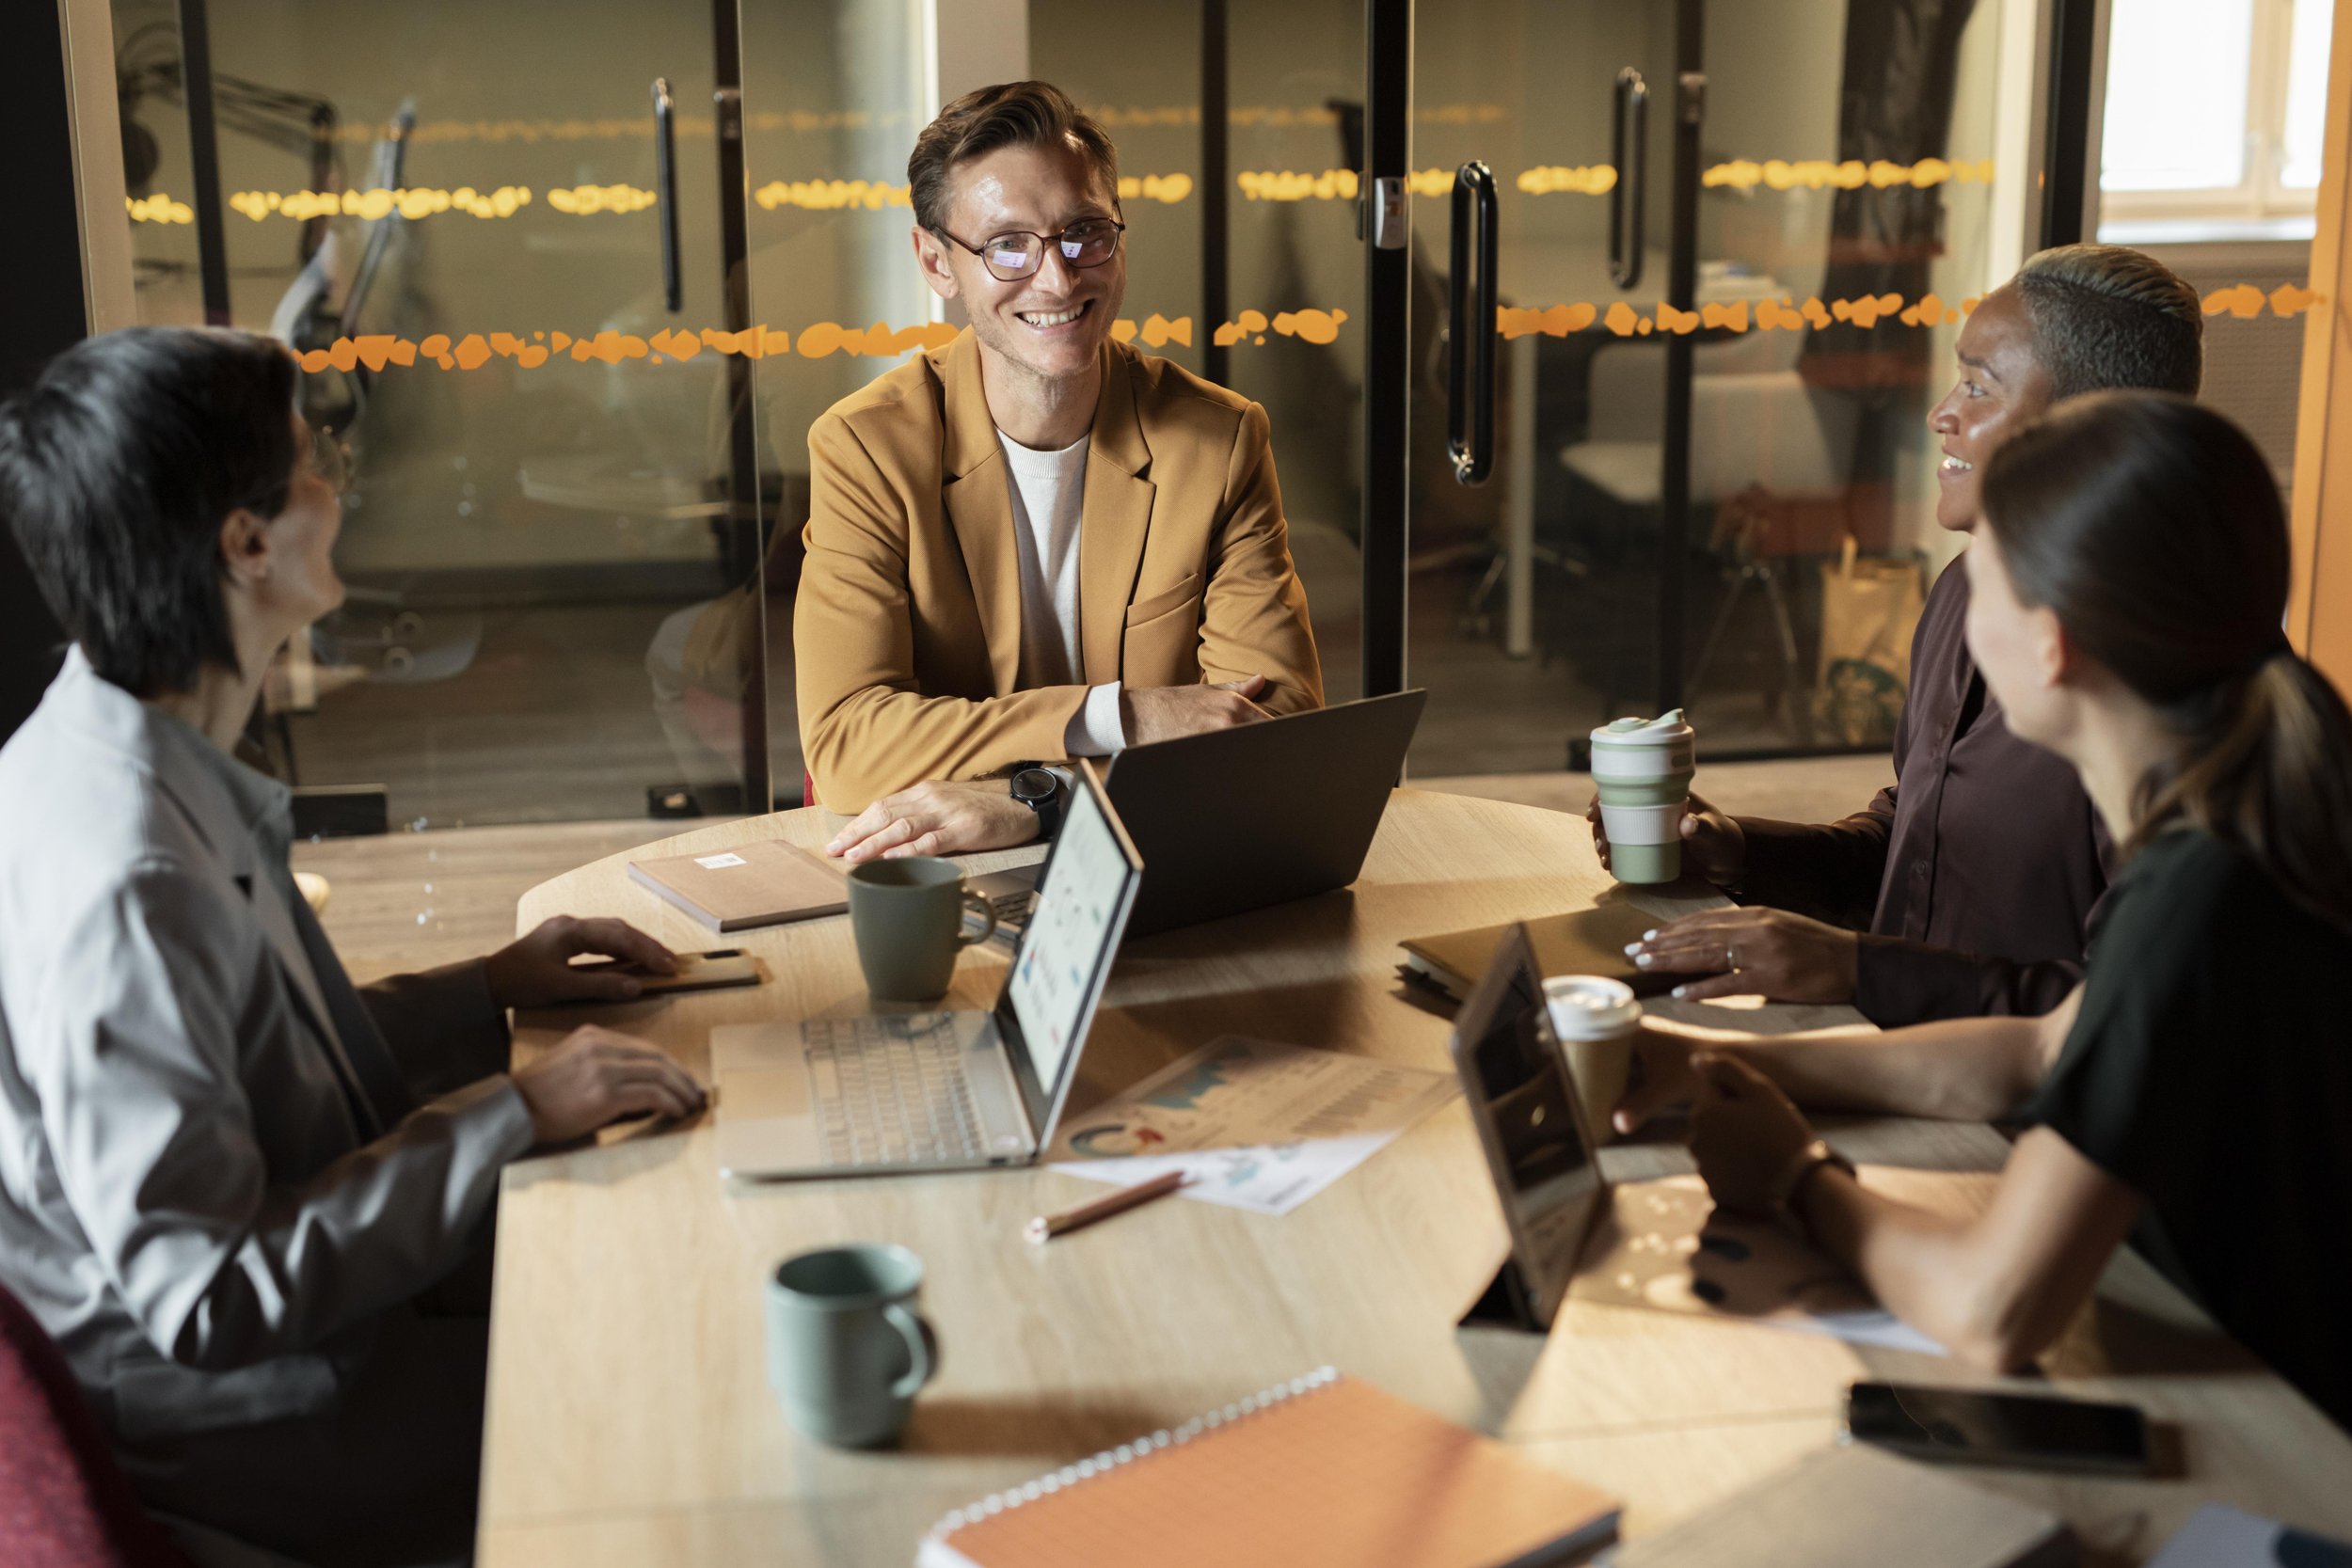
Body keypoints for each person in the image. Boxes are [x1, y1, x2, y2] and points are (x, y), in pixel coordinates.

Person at [0, 327, 707, 1566]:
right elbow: (205, 1291)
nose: (338, 482)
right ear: (246, 541)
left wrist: (487, 988)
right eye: (312, 459)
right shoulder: (132, 875)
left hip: (305, 1367)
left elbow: (247, 1062)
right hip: (265, 1433)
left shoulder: (107, 749)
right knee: (689, 1370)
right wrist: (513, 1112)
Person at [1614, 393, 2352, 1429]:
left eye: (1986, 572)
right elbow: (2042, 1051)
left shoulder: (2199, 891)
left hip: (2279, 1444)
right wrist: (1705, 1066)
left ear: (2050, 644)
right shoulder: (2253, 809)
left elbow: (1990, 1306)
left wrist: (1794, 1174)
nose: (1959, 594)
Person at [1598, 245, 2203, 1025]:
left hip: (2015, 1112)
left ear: (2083, 432)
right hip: (1900, 1055)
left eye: (1979, 386)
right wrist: (1743, 852)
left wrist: (1859, 969)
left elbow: (2148, 1017)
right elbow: (1919, 835)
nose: (1940, 412)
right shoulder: (1963, 589)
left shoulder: (2169, 684)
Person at [797, 81, 1324, 863]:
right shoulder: (864, 449)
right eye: (1008, 243)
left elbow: (1270, 733)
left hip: (1163, 853)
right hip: (942, 867)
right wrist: (1123, 718)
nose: (1058, 278)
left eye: (1085, 232)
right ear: (937, 262)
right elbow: (846, 745)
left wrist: (1038, 801)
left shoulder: (1220, 440)